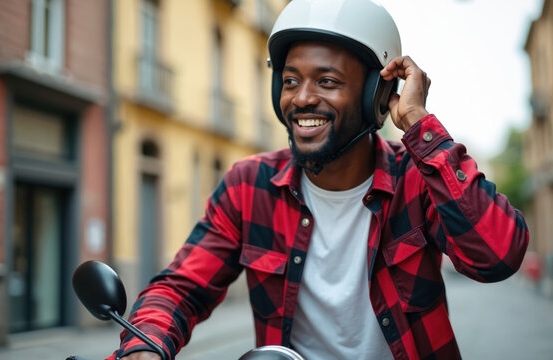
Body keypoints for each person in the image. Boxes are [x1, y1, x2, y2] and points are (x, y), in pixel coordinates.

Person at [109, 0, 528, 359]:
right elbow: (181, 288)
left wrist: (419, 124)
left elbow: (496, 256)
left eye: (327, 81)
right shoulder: (247, 185)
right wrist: (144, 348)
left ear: (376, 97)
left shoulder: (418, 180)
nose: (303, 97)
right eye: (290, 81)